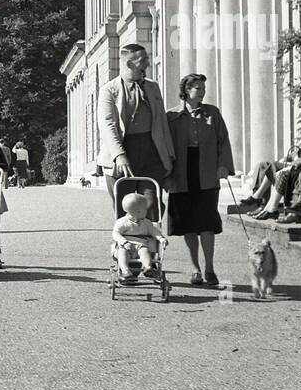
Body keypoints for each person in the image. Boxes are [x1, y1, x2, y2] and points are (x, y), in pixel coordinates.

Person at [166, 74, 234, 287]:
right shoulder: (171, 116)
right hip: (181, 174)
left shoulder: (212, 113)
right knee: (188, 225)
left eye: (203, 87)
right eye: (197, 88)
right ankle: (195, 268)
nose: (202, 91)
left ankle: (210, 268)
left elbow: (223, 141)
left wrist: (223, 165)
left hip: (206, 172)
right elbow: (166, 149)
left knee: (206, 223)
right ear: (186, 90)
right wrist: (166, 176)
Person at [97, 43, 174, 212]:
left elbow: (161, 122)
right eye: (143, 60)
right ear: (129, 64)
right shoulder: (108, 90)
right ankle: (125, 239)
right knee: (126, 209)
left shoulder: (153, 87)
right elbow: (108, 125)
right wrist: (119, 156)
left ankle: (151, 237)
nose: (147, 64)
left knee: (152, 205)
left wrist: (168, 157)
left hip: (150, 152)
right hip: (123, 154)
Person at [113, 190, 168, 281]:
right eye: (145, 209)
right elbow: (116, 233)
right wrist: (123, 241)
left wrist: (161, 238)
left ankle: (148, 267)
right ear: (138, 211)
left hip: (141, 244)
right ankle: (125, 271)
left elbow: (154, 231)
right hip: (125, 245)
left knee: (145, 251)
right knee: (122, 253)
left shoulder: (146, 222)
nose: (147, 211)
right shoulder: (122, 222)